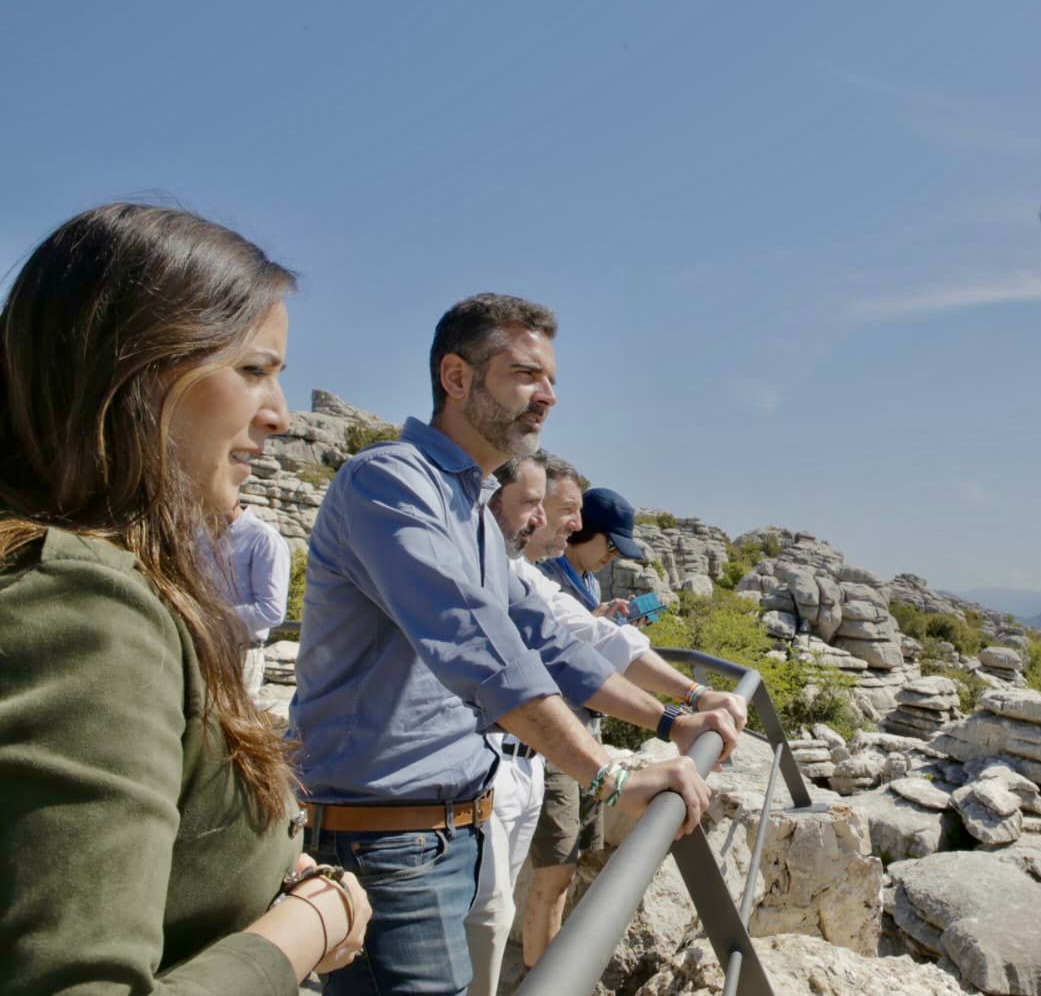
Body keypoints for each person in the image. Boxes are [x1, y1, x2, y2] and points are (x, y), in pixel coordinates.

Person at [289, 294, 738, 996]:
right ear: (457, 377)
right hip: (384, 838)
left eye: (551, 380)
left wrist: (674, 722)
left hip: (450, 828)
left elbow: (552, 642)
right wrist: (611, 775)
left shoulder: (468, 506)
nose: (548, 397)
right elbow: (478, 642)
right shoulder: (388, 483)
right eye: (526, 374)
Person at [0, 203, 370, 994]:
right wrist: (310, 923)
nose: (276, 414)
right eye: (252, 370)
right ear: (136, 369)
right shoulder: (85, 607)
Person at [464, 455, 747, 992]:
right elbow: (546, 667)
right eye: (550, 507)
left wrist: (684, 706)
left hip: (516, 770)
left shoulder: (520, 577)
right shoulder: (484, 566)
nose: (569, 523)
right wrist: (633, 759)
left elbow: (581, 644)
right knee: (481, 923)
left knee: (491, 919)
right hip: (489, 768)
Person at [220, 500, 292, 700]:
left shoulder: (263, 538)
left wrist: (214, 615)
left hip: (240, 655)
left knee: (231, 729)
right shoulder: (200, 534)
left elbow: (271, 611)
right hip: (200, 649)